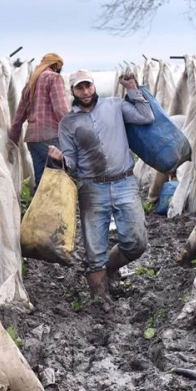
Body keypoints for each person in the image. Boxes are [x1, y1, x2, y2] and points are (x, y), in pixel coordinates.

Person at [48, 70, 154, 301]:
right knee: (94, 248)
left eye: (88, 86)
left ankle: (111, 267)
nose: (85, 92)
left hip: (124, 181)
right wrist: (61, 159)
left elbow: (146, 117)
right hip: (92, 188)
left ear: (94, 86)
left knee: (136, 242)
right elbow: (72, 162)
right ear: (73, 91)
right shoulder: (68, 123)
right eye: (80, 88)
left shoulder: (115, 106)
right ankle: (100, 299)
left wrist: (132, 89)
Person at [9, 53, 68, 192]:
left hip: (33, 139)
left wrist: (13, 137)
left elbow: (19, 114)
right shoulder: (54, 78)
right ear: (56, 65)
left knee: (42, 180)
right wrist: (72, 131)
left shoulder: (32, 82)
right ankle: (56, 212)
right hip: (50, 137)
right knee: (59, 177)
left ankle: (40, 212)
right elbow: (60, 109)